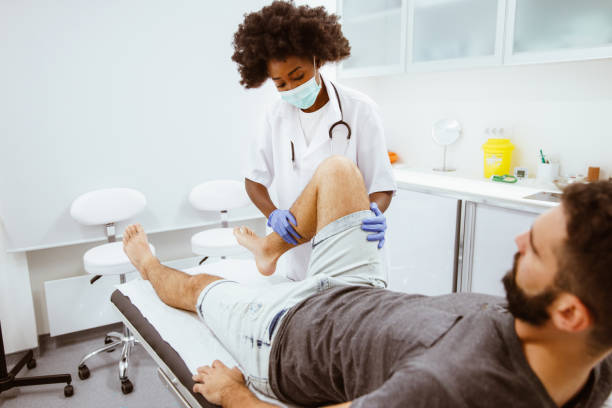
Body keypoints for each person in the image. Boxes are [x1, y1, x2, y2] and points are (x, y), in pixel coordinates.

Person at [122, 156, 612, 408]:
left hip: (282, 337)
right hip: (357, 291)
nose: (520, 239)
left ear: (569, 313)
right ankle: (269, 250)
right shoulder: (592, 365)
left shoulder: (445, 388)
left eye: (537, 248)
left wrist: (233, 394)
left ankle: (144, 262)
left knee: (197, 283)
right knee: (339, 170)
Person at [232, 0, 397, 280]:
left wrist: (374, 213)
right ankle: (271, 247)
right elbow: (254, 180)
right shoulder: (275, 114)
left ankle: (269, 248)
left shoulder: (360, 109)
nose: (292, 88)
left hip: (349, 246)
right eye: (281, 83)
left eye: (298, 76)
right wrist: (273, 214)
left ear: (317, 59)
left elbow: (382, 186)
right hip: (299, 260)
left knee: (337, 169)